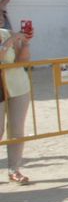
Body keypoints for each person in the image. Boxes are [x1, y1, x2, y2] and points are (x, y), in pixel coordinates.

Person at [1, 22, 32, 183]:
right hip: (1, 89)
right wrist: (10, 41)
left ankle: (15, 169)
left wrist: (25, 43)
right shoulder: (9, 37)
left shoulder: (7, 33)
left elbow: (23, 60)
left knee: (17, 130)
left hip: (18, 86)